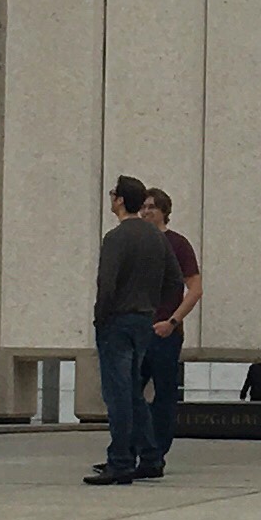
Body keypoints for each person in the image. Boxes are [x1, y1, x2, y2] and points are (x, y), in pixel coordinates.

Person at [86, 177, 183, 484]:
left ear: (120, 200)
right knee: (132, 392)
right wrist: (153, 306)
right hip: (144, 321)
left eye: (113, 194)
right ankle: (151, 457)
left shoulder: (116, 238)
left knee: (117, 393)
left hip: (117, 321)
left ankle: (121, 461)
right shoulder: (157, 238)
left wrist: (100, 318)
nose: (111, 198)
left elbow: (106, 284)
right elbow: (175, 280)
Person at [140, 188, 202, 479]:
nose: (146, 211)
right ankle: (128, 452)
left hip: (165, 332)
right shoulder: (137, 242)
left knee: (164, 395)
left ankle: (156, 455)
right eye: (143, 207)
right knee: (127, 393)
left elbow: (195, 289)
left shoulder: (178, 244)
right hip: (136, 330)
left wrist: (173, 321)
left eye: (152, 207)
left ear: (165, 211)